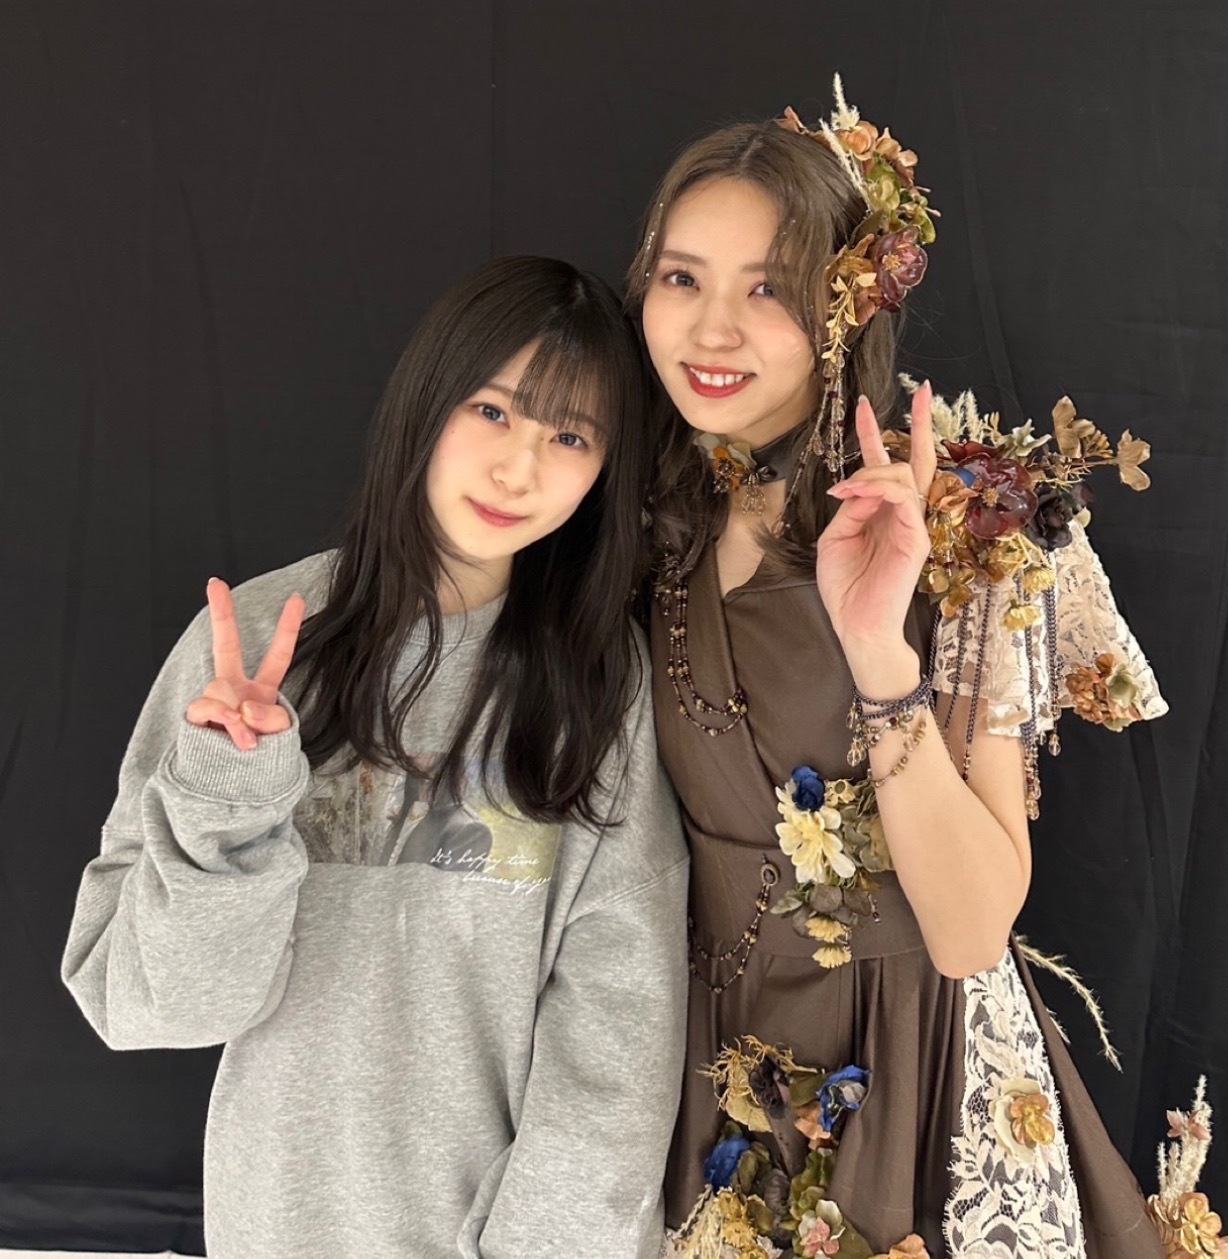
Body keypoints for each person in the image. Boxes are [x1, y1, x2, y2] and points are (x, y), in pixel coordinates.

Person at [628, 81, 1171, 1257]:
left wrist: (879, 653)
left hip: (913, 1068)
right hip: (705, 1066)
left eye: (766, 288)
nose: (709, 329)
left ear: (843, 302)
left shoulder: (961, 529)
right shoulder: (631, 513)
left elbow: (971, 930)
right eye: (680, 277)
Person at [62, 255, 689, 1259]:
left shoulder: (599, 682)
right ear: (427, 398)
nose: (518, 467)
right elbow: (148, 1003)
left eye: (569, 436)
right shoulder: (256, 643)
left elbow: (619, 1018)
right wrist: (228, 793)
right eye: (492, 410)